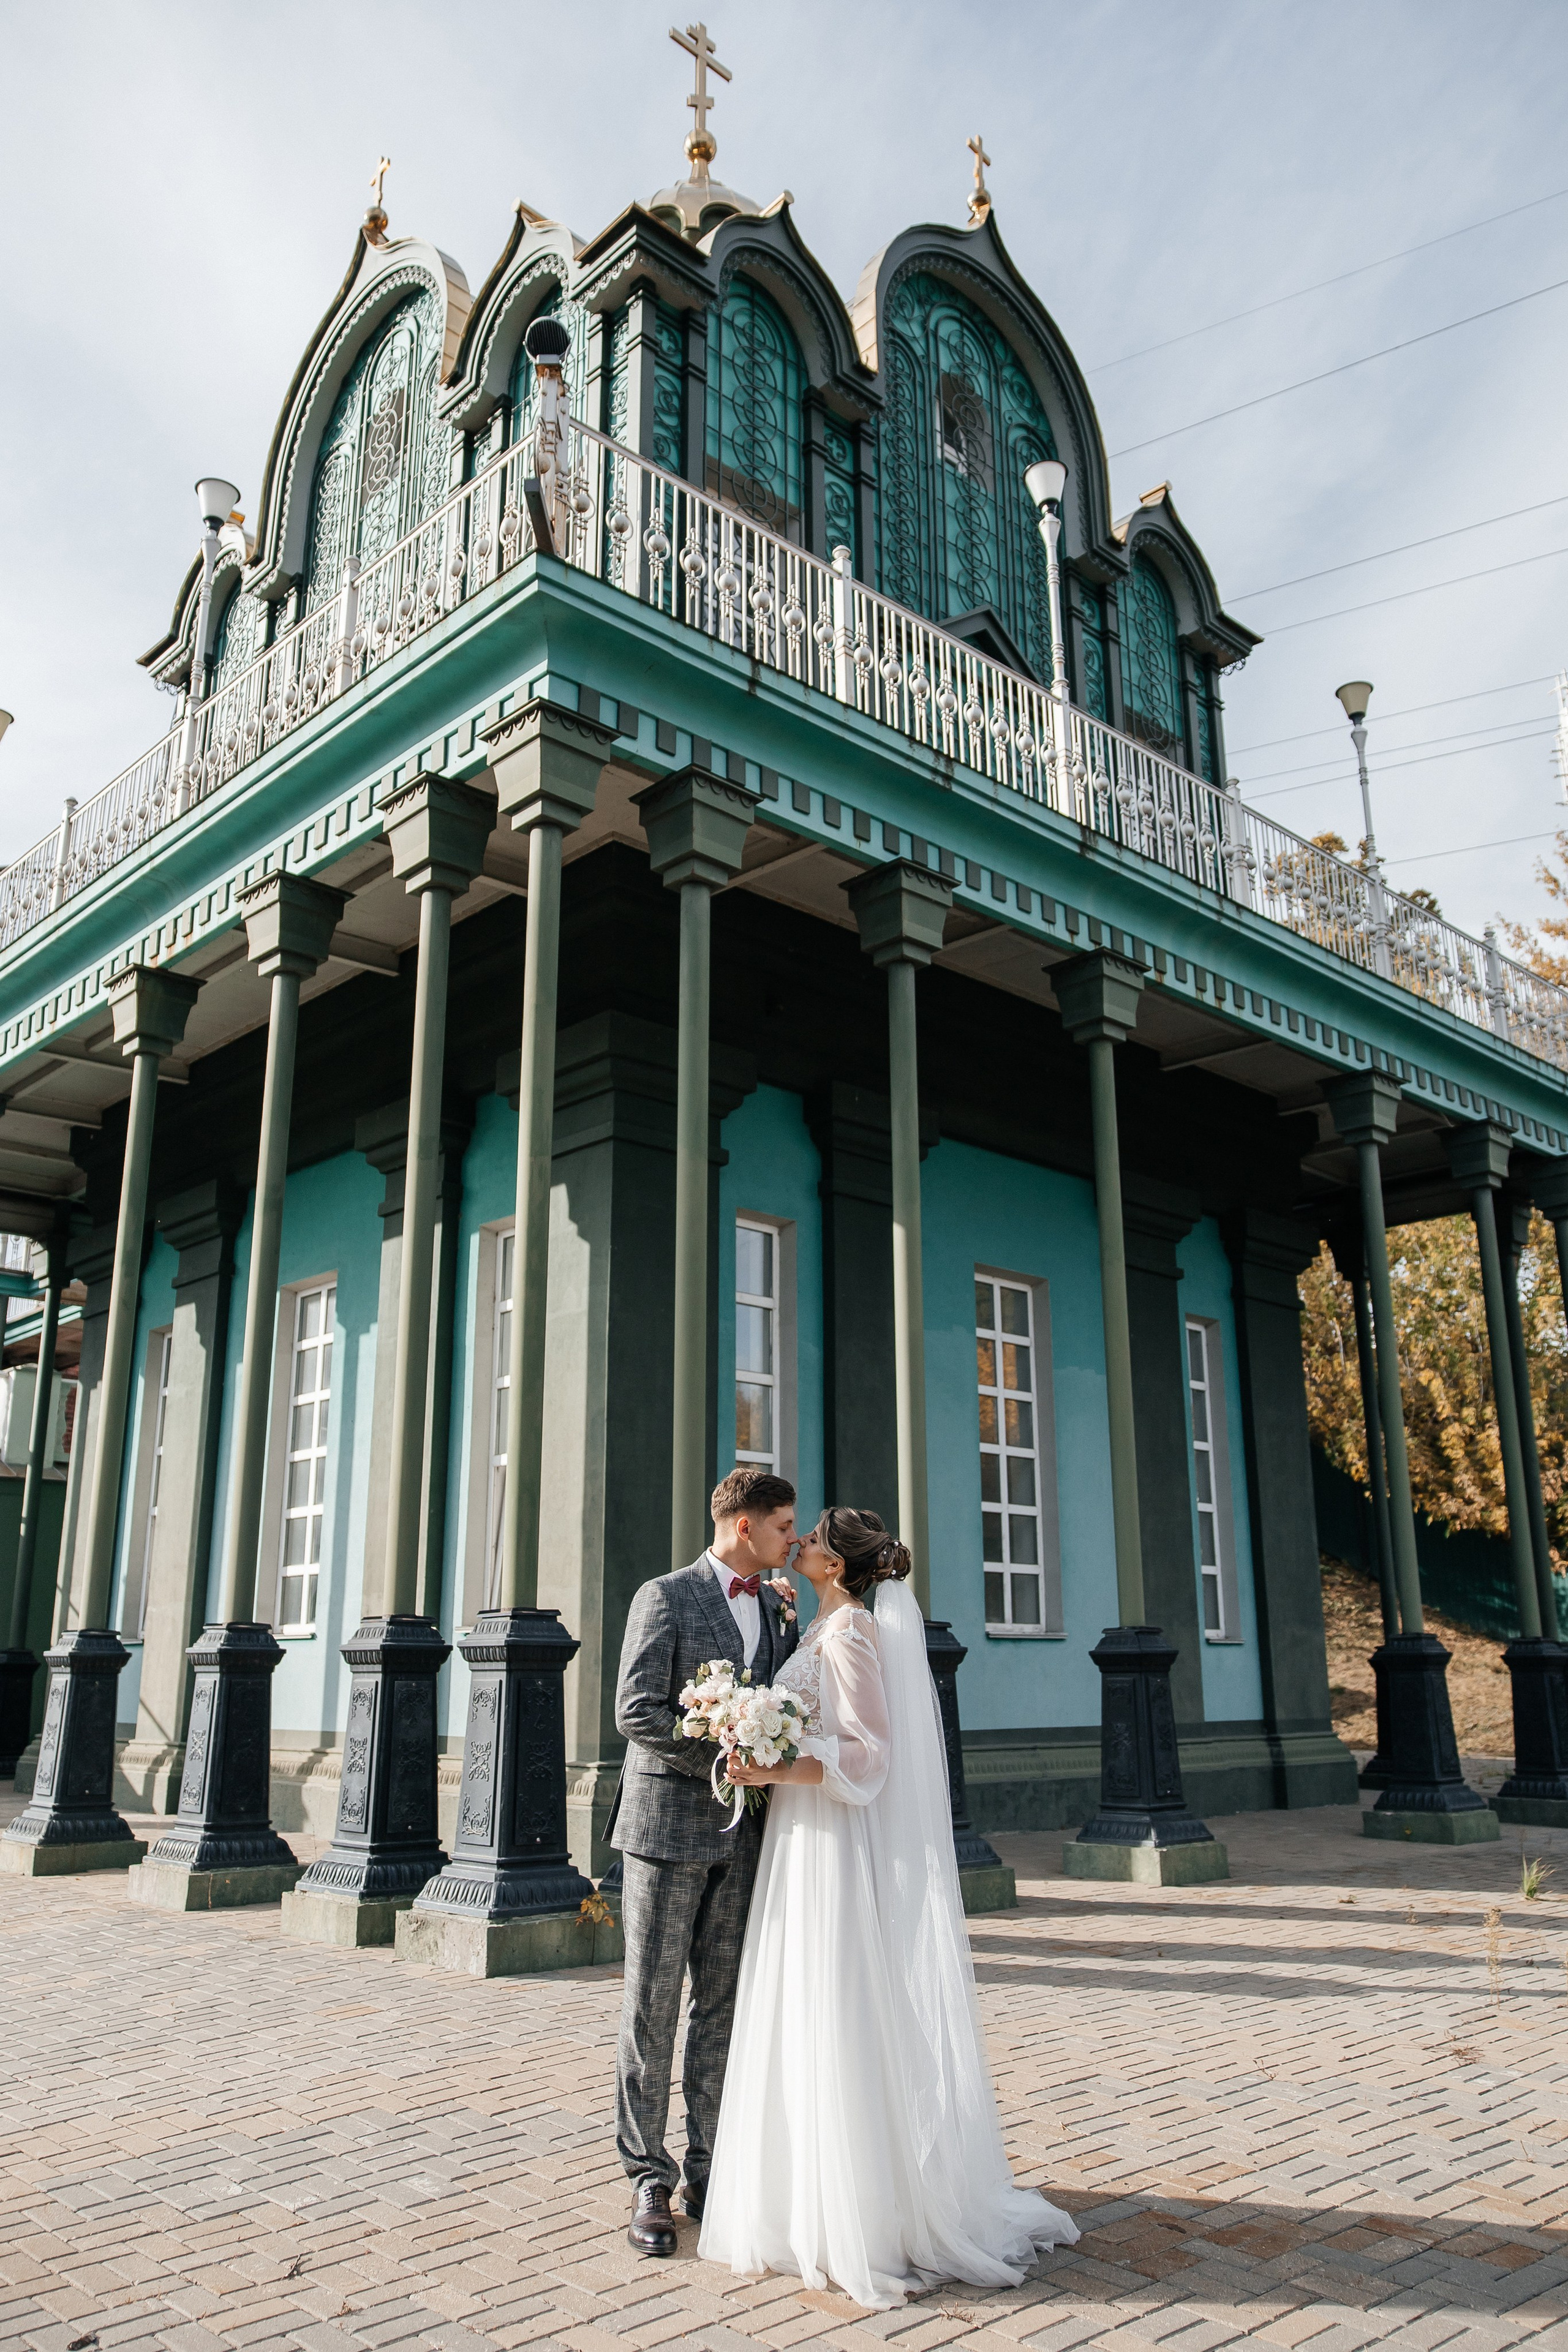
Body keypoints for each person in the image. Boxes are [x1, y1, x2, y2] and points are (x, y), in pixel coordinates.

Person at [699, 1507, 1079, 2310]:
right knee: (805, 2005)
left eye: (812, 1541)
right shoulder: (821, 1626)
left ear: (837, 1567)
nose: (798, 1543)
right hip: (802, 1843)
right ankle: (800, 2197)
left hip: (829, 1840)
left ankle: (860, 2212)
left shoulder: (853, 1638)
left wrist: (774, 1768)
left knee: (837, 2005)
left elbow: (869, 1754)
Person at [608, 1465, 799, 2257]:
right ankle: (648, 2178)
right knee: (652, 2004)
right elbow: (636, 1709)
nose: (793, 1539)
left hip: (743, 1839)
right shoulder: (665, 1596)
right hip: (663, 1832)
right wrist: (722, 1753)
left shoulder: (782, 1611)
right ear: (745, 1526)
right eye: (785, 1525)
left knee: (722, 2007)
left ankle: (710, 2166)